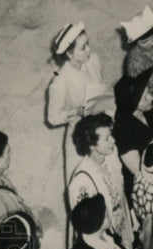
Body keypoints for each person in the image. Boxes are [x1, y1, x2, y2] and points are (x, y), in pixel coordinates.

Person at [46, 22, 112, 178]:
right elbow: (52, 118)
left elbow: (103, 82)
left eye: (87, 44)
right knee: (82, 176)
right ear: (69, 54)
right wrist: (75, 111)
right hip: (80, 130)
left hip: (101, 120)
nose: (89, 50)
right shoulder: (60, 83)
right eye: (83, 48)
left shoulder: (94, 60)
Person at [67, 113, 135, 249]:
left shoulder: (111, 156)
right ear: (92, 146)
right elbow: (88, 229)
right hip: (104, 241)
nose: (113, 140)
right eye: (107, 138)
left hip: (123, 227)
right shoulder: (80, 182)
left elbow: (121, 193)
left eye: (111, 135)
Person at [112, 67, 153, 203]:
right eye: (144, 98)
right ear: (132, 106)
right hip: (146, 188)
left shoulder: (149, 110)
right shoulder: (122, 131)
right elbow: (139, 171)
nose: (151, 98)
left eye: (148, 92)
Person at [121, 6, 153, 98]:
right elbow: (140, 94)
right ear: (136, 43)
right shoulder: (134, 62)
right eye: (145, 42)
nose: (152, 42)